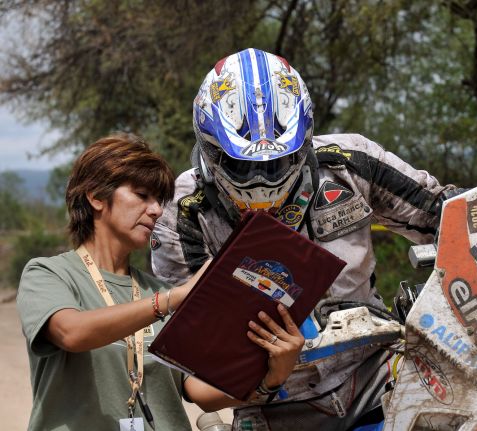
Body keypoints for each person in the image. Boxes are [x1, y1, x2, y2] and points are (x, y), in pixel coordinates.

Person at [151, 48, 455, 430]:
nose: (259, 178)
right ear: (211, 149)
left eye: (274, 163)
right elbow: (192, 362)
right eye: (241, 164)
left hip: (380, 375)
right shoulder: (184, 212)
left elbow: (445, 209)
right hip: (272, 403)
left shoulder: (350, 161)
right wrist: (269, 375)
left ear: (304, 141)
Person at [17, 133, 304, 431]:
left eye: (159, 200)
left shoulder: (158, 291)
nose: (156, 210)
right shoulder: (48, 274)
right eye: (142, 195)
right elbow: (71, 333)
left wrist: (272, 375)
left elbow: (199, 391)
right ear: (96, 197)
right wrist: (170, 301)